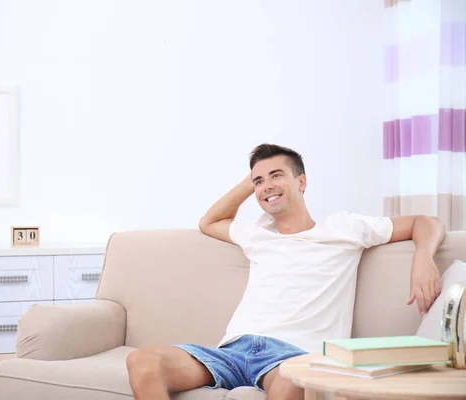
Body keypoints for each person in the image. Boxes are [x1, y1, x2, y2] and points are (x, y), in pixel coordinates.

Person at [126, 143, 446, 400]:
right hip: (233, 348)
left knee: (293, 383)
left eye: (277, 175)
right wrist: (252, 180)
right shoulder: (257, 233)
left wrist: (422, 256)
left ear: (301, 182)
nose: (267, 187)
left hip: (293, 355)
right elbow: (208, 222)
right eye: (259, 182)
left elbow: (425, 222)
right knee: (143, 361)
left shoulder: (344, 228)